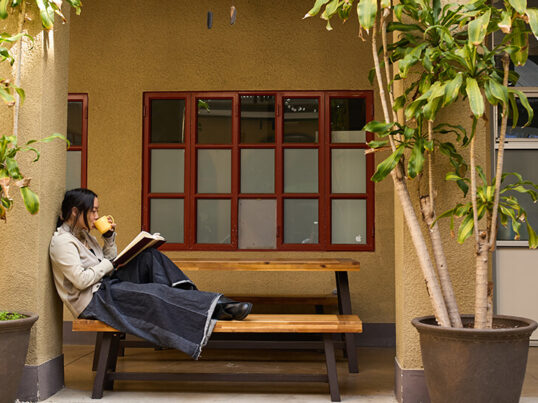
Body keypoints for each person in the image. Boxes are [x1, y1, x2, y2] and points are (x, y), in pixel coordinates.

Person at [49, 188, 252, 359]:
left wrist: (109, 239)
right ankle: (214, 306)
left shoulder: (85, 235)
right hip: (93, 301)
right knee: (154, 292)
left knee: (150, 257)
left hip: (106, 286)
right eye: (92, 211)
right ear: (75, 212)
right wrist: (109, 263)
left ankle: (195, 301)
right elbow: (80, 280)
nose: (96, 217)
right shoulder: (62, 242)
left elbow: (105, 261)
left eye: (97, 211)